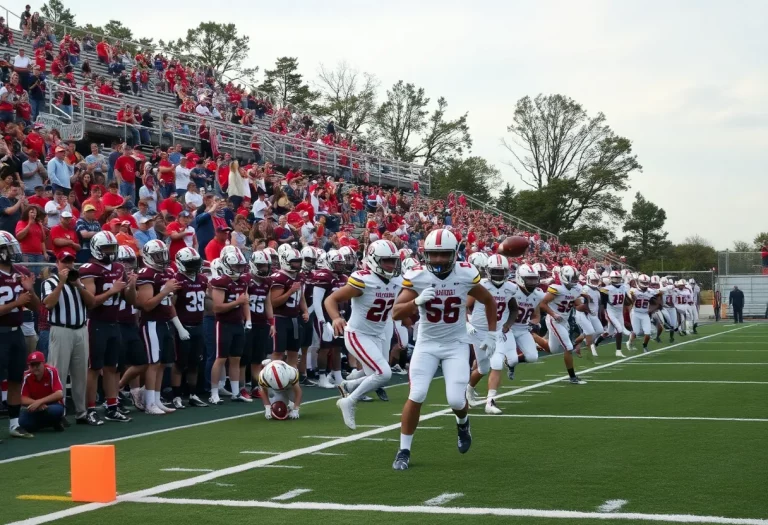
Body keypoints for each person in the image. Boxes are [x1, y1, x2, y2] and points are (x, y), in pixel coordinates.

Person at [391, 229, 498, 470]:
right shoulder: (417, 276)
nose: (438, 260)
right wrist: (416, 301)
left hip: (456, 344)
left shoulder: (465, 274)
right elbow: (396, 312)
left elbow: (489, 300)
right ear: (426, 254)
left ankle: (463, 423)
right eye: (434, 254)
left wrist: (492, 333)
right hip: (426, 344)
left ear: (455, 253)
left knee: (454, 398)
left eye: (444, 254)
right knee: (416, 394)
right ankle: (403, 451)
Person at [326, 240, 400, 429]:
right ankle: (349, 400)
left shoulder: (397, 280)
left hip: (377, 334)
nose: (391, 265)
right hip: (358, 334)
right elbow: (331, 299)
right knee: (383, 374)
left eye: (393, 260)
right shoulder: (363, 280)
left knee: (372, 373)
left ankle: (348, 385)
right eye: (386, 261)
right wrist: (335, 318)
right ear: (374, 260)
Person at [79, 232, 131, 425]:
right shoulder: (89, 269)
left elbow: (130, 299)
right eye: (106, 249)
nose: (109, 253)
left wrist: (131, 286)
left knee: (112, 368)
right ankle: (90, 409)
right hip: (96, 323)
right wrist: (112, 290)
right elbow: (91, 302)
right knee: (94, 368)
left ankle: (112, 407)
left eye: (112, 248)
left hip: (113, 322)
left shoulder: (118, 268)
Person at [136, 239, 185, 415]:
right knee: (153, 363)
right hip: (151, 322)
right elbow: (146, 305)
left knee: (163, 363)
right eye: (157, 255)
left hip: (165, 322)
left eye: (163, 254)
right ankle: (149, 402)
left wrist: (177, 324)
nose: (161, 258)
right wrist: (164, 291)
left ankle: (156, 399)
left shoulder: (167, 272)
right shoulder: (146, 274)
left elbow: (168, 303)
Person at [42, 252, 91, 425]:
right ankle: (58, 412)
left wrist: (79, 285)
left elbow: (91, 303)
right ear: (57, 263)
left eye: (70, 262)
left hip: (81, 330)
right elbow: (48, 303)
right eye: (65, 262)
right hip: (61, 330)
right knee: (59, 373)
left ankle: (81, 412)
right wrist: (61, 283)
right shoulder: (50, 282)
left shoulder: (78, 281)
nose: (68, 266)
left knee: (80, 374)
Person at [0, 232, 40, 439]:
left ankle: (14, 424)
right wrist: (17, 302)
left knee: (16, 379)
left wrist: (30, 291)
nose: (13, 253)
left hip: (16, 333)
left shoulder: (21, 272)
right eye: (8, 249)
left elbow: (36, 306)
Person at [209, 246, 251, 404]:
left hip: (237, 323)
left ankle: (235, 392)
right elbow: (217, 307)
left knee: (235, 359)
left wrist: (248, 319)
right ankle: (214, 393)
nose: (239, 269)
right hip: (224, 323)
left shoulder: (243, 280)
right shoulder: (221, 281)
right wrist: (237, 302)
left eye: (241, 266)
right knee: (220, 358)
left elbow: (245, 302)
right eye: (236, 266)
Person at [170, 247, 209, 408]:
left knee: (195, 362)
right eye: (190, 263)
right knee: (180, 363)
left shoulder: (202, 279)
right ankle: (176, 396)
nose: (193, 266)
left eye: (195, 263)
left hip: (198, 325)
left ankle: (193, 394)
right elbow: (171, 305)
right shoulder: (177, 280)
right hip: (183, 326)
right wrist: (179, 327)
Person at [20, 351, 65, 434]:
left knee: (55, 410)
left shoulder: (52, 371)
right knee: (23, 422)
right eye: (32, 365)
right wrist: (37, 404)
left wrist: (40, 402)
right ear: (29, 366)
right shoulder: (26, 376)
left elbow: (59, 393)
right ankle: (52, 423)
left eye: (38, 364)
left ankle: (53, 421)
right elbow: (22, 399)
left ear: (43, 363)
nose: (35, 367)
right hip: (34, 407)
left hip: (51, 405)